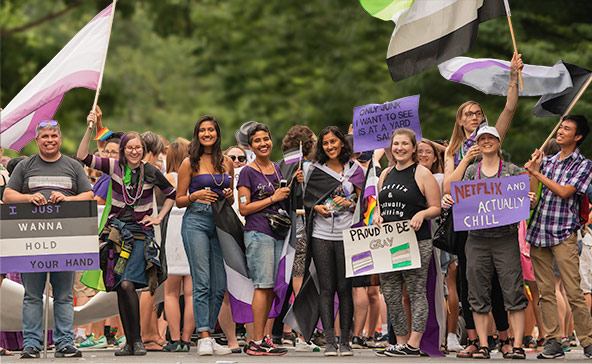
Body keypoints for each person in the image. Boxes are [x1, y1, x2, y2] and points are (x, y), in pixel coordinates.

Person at [443, 53, 523, 359]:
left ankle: (506, 340)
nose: (475, 117)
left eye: (478, 112)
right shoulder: (454, 149)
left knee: (503, 285)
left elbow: (510, 107)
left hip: (498, 223)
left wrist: (514, 75)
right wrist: (465, 158)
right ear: (461, 120)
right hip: (468, 223)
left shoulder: (493, 139)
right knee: (470, 282)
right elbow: (449, 185)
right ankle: (476, 341)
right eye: (469, 114)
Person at [77, 110, 176, 356]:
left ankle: (137, 340)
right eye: (130, 147)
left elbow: (172, 194)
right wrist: (90, 127)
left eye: (138, 147)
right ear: (123, 149)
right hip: (116, 234)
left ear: (143, 150)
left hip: (140, 235)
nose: (134, 151)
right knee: (121, 286)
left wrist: (158, 217)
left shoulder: (151, 171)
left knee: (129, 283)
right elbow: (81, 156)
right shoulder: (113, 166)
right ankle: (130, 343)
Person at [4, 120, 94, 359]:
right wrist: (29, 197)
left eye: (54, 135)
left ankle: (65, 342)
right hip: (31, 240)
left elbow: (89, 194)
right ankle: (32, 343)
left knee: (64, 295)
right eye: (45, 136)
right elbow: (8, 195)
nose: (50, 140)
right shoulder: (25, 165)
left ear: (60, 139)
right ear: (37, 141)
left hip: (66, 239)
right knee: (32, 295)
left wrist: (68, 200)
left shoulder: (73, 166)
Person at [443, 126, 534, 359]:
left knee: (513, 292)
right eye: (481, 138)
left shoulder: (513, 171)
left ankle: (517, 345)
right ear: (477, 143)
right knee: (476, 292)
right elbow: (450, 189)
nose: (486, 142)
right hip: (477, 240)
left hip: (505, 239)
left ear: (498, 142)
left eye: (490, 138)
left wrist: (530, 199)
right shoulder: (471, 172)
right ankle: (483, 345)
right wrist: (448, 197)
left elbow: (527, 202)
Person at [524, 115, 592, 359]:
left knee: (574, 290)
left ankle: (587, 340)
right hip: (538, 231)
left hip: (563, 233)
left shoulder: (583, 165)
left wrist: (538, 172)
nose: (560, 131)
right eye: (560, 127)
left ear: (578, 137)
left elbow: (564, 192)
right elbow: (534, 195)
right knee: (545, 292)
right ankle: (553, 340)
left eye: (567, 129)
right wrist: (533, 175)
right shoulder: (547, 161)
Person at [373, 128, 440, 356]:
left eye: (404, 144)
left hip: (416, 242)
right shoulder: (386, 174)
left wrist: (422, 214)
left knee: (415, 291)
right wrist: (377, 215)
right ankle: (400, 341)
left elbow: (436, 207)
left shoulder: (421, 173)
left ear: (413, 148)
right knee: (390, 292)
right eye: (396, 144)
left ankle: (414, 343)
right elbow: (380, 205)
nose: (399, 148)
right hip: (388, 242)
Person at [237, 122, 302, 356]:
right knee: (262, 287)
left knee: (272, 288)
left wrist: (296, 184)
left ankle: (264, 337)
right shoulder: (247, 171)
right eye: (257, 141)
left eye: (266, 139)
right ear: (250, 146)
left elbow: (285, 200)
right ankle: (255, 341)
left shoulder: (276, 168)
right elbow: (244, 208)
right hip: (258, 233)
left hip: (278, 234)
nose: (263, 143)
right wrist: (273, 198)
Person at [302, 126, 365, 356]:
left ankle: (345, 341)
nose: (330, 147)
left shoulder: (356, 170)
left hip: (347, 234)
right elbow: (308, 202)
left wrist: (350, 203)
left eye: (334, 142)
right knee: (327, 289)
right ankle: (330, 341)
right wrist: (317, 207)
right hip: (321, 234)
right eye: (326, 143)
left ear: (342, 143)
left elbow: (365, 205)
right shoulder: (314, 169)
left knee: (345, 288)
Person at [175, 116, 234, 356]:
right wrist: (195, 196)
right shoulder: (190, 163)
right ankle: (204, 336)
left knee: (219, 284)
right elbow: (179, 200)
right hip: (196, 220)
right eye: (202, 130)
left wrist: (229, 195)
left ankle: (208, 331)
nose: (207, 134)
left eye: (211, 130)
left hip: (221, 222)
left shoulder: (228, 162)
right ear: (197, 134)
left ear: (218, 134)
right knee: (202, 280)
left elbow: (231, 199)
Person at [162, 142, 195, 352]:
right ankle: (187, 338)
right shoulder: (196, 177)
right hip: (192, 227)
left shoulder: (168, 178)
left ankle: (174, 339)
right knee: (192, 291)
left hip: (172, 230)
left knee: (171, 291)